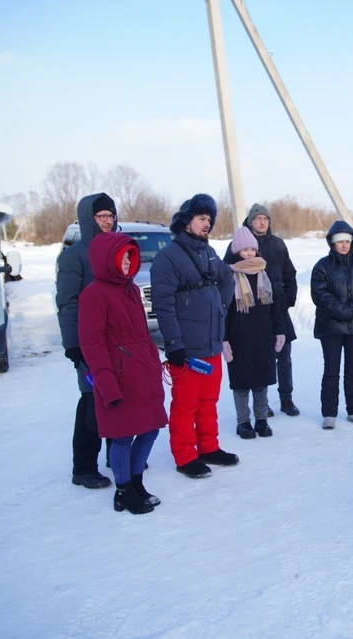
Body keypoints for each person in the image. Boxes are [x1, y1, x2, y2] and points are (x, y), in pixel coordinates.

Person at [149, 194, 239, 479]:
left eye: (210, 220)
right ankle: (185, 455)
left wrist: (220, 308)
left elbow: (227, 279)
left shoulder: (210, 253)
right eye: (202, 219)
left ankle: (209, 447)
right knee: (185, 405)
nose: (207, 224)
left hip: (211, 343)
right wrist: (173, 344)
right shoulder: (167, 258)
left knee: (208, 401)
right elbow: (162, 305)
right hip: (187, 349)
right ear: (186, 221)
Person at [78, 233, 168, 514]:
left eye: (131, 256)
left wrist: (154, 361)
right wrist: (106, 382)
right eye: (123, 256)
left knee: (150, 429)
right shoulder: (94, 294)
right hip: (118, 376)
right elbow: (92, 344)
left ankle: (136, 481)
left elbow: (141, 334)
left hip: (142, 372)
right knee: (122, 436)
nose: (129, 262)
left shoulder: (130, 289)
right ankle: (123, 490)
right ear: (108, 260)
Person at [56, 193, 116, 490]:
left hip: (117, 340)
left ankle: (115, 455)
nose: (107, 221)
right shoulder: (74, 256)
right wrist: (72, 343)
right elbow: (67, 302)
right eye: (101, 217)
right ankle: (83, 467)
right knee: (92, 401)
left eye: (110, 216)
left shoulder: (117, 251)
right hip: (88, 342)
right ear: (88, 219)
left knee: (118, 396)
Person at [310, 221, 353, 430]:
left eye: (347, 241)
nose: (344, 245)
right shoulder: (322, 266)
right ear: (332, 243)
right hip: (330, 326)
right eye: (340, 242)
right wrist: (342, 311)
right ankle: (329, 413)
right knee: (331, 370)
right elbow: (320, 294)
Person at [236, 203, 301, 417]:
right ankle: (262, 404)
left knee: (284, 357)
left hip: (279, 310)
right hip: (255, 313)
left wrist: (288, 299)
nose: (262, 222)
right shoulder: (242, 245)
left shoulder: (278, 245)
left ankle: (286, 398)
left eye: (265, 218)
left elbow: (290, 274)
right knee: (260, 357)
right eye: (257, 218)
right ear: (250, 221)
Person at [223, 225, 286, 439]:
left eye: (252, 249)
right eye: (244, 250)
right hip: (239, 338)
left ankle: (261, 420)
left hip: (263, 337)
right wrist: (224, 340)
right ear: (236, 251)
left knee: (261, 382)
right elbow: (224, 311)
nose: (249, 253)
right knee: (241, 384)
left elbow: (274, 305)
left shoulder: (263, 272)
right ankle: (243, 422)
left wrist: (280, 331)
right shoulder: (229, 275)